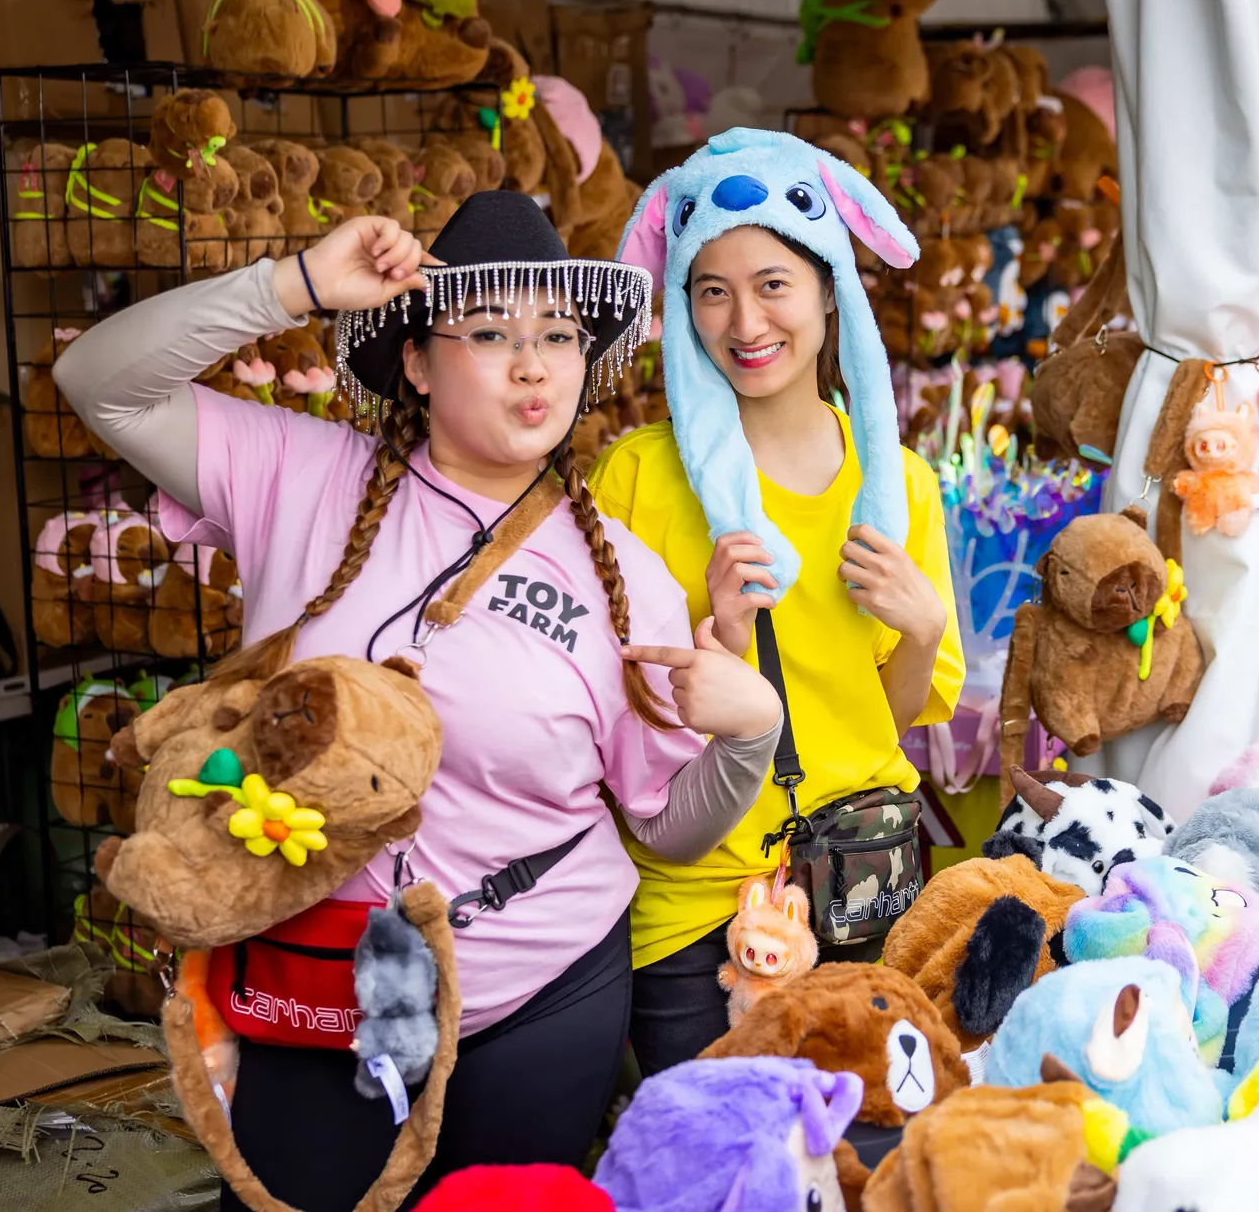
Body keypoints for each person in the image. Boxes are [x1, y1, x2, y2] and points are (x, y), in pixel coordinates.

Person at [54, 191, 785, 1209]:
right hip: (320, 980)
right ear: (414, 359)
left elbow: (670, 832)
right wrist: (295, 285)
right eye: (488, 332)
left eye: (560, 336)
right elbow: (95, 380)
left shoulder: (629, 577)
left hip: (541, 992)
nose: (534, 365)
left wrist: (749, 731)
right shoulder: (300, 477)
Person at [592, 128, 965, 1075]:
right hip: (695, 909)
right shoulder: (636, 476)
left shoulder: (900, 484)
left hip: (861, 889)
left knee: (860, 1152)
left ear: (829, 289)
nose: (745, 321)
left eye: (772, 284)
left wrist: (920, 626)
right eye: (711, 291)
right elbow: (603, 715)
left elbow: (890, 711)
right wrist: (718, 634)